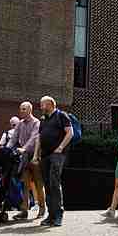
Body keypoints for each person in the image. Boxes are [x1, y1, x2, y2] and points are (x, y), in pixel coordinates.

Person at [32, 95, 73, 227]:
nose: (41, 107)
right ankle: (51, 215)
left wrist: (60, 147)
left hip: (57, 154)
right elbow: (39, 137)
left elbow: (70, 132)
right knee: (48, 184)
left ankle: (59, 215)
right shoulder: (43, 119)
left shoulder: (62, 116)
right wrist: (35, 155)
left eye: (42, 104)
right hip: (44, 155)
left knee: (54, 182)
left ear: (50, 104)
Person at [9, 101, 45, 220]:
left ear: (30, 110)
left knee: (38, 184)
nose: (21, 111)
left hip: (35, 157)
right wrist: (6, 150)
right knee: (25, 184)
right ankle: (24, 211)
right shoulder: (19, 124)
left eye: (24, 109)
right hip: (24, 157)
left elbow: (34, 138)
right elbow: (13, 139)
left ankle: (42, 209)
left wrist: (23, 149)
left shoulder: (36, 123)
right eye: (20, 109)